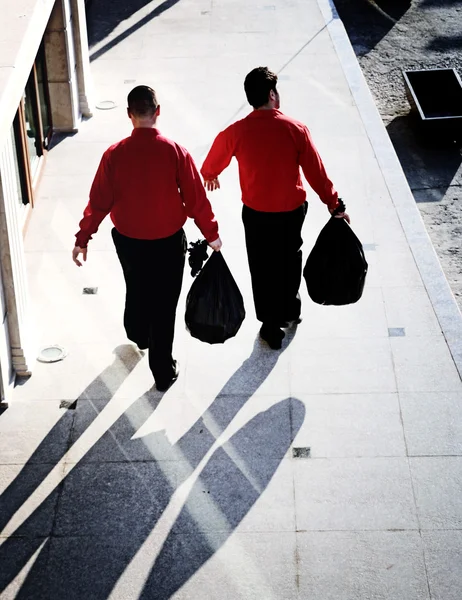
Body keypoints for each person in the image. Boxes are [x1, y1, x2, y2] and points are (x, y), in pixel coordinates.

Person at [73, 85, 222, 391]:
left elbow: (98, 201)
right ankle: (163, 372)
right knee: (165, 304)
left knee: (137, 287)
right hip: (168, 241)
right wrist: (212, 235)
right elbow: (196, 199)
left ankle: (139, 334)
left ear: (129, 115)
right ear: (157, 112)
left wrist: (83, 238)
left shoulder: (114, 154)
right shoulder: (175, 151)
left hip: (128, 240)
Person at [201, 66, 349, 350]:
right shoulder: (296, 129)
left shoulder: (237, 131)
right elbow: (317, 173)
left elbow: (210, 164)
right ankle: (290, 309)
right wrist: (334, 204)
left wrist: (212, 174)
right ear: (272, 94)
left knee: (262, 266)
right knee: (290, 259)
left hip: (256, 213)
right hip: (291, 211)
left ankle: (270, 326)